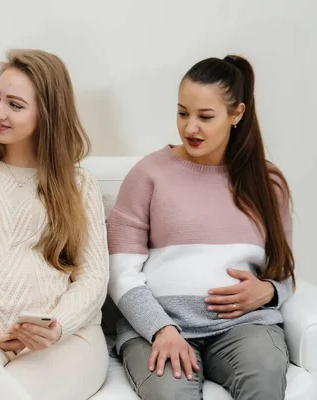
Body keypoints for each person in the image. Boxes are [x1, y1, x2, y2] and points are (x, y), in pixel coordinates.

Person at [107, 55, 294, 400]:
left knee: (264, 382)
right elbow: (120, 272)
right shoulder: (148, 174)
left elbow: (283, 271)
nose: (190, 128)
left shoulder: (268, 183)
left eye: (205, 117)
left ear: (236, 114)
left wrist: (269, 292)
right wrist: (161, 329)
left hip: (244, 327)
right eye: (183, 113)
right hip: (158, 328)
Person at [0, 49, 110, 400]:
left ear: (47, 115)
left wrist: (56, 328)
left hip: (65, 341)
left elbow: (93, 278)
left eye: (15, 104)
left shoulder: (78, 183)